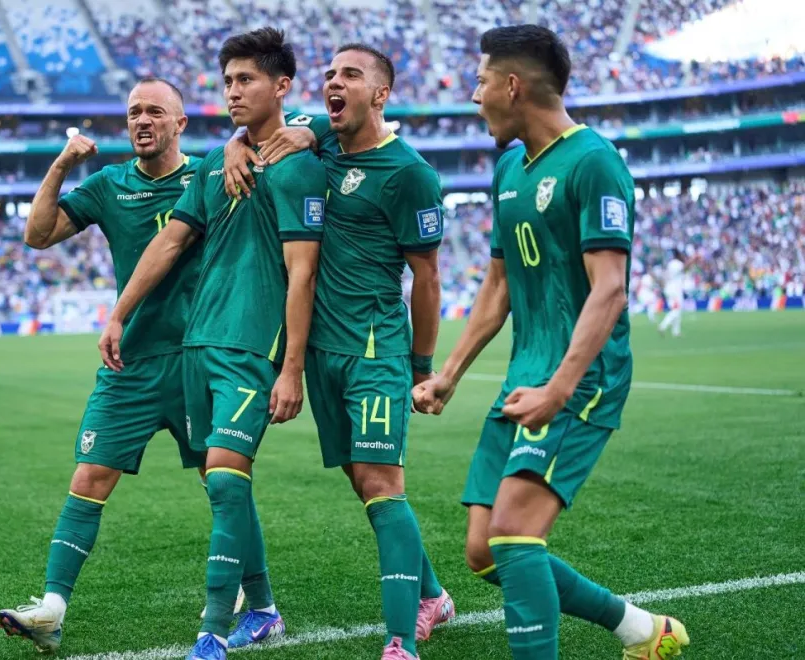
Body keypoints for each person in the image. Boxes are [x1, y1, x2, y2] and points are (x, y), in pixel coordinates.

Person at [412, 25, 690, 660]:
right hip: (524, 375)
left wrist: (559, 390)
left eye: (481, 82)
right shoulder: (509, 165)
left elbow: (610, 289)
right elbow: (499, 281)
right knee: (485, 552)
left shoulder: (594, 161)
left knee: (513, 536)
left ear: (513, 86)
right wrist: (452, 370)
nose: (475, 97)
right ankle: (643, 631)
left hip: (580, 379)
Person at [96, 28, 325, 660]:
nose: (232, 92)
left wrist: (293, 368)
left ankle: (213, 631)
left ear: (280, 86)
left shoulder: (302, 165)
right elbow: (167, 243)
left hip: (253, 350)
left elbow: (301, 271)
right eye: (226, 81)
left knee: (224, 481)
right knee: (224, 481)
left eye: (245, 79)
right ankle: (266, 610)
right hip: (199, 347)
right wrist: (119, 314)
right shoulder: (215, 167)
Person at [224, 43, 455, 660]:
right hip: (321, 349)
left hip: (375, 347)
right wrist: (233, 146)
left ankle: (401, 641)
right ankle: (432, 594)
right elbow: (262, 131)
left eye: (350, 74)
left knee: (383, 481)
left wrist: (423, 368)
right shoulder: (317, 139)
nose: (333, 82)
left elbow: (427, 279)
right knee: (364, 482)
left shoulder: (409, 174)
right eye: (329, 74)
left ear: (380, 94)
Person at [0, 78, 207, 654]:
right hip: (129, 363)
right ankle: (52, 609)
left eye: (155, 111)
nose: (142, 120)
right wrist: (62, 163)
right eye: (134, 111)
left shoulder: (209, 175)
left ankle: (256, 600)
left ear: (180, 123)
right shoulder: (110, 185)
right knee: (89, 477)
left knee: (225, 482)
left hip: (197, 359)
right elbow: (37, 235)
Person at [658, 250, 687, 337]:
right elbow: (685, 269)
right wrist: (693, 260)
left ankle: (676, 332)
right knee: (677, 310)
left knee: (676, 310)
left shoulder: (670, 264)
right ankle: (663, 325)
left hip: (669, 288)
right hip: (675, 290)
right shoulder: (677, 263)